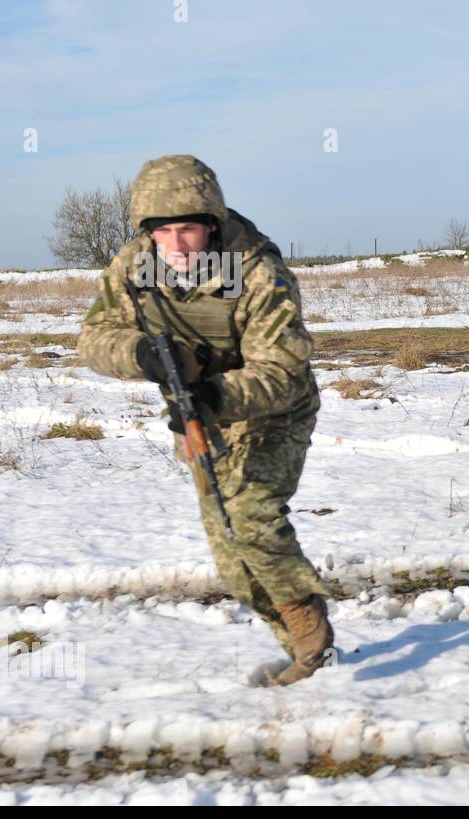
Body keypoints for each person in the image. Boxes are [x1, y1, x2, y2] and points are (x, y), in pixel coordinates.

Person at [78, 154, 334, 685]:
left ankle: (314, 649)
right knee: (230, 554)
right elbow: (94, 338)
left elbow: (283, 371)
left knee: (252, 519)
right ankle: (298, 647)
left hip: (272, 413)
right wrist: (140, 355)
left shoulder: (258, 271)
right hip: (202, 418)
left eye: (189, 229)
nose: (177, 245)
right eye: (164, 231)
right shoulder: (134, 266)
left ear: (211, 225)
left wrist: (212, 395)